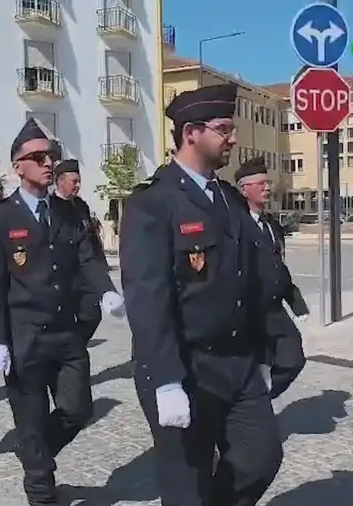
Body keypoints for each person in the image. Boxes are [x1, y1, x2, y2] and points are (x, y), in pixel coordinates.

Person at [120, 84, 283, 506]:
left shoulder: (228, 199)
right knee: (186, 486)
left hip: (238, 362)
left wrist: (266, 349)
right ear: (191, 132)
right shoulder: (152, 203)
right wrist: (167, 379)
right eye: (224, 129)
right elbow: (148, 297)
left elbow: (254, 281)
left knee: (260, 458)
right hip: (186, 365)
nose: (232, 138)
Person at [0, 118, 124, 505]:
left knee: (77, 409)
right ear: (18, 166)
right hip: (22, 335)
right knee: (29, 418)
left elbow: (88, 258)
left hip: (65, 332)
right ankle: (40, 488)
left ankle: (33, 454)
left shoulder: (69, 212)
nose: (48, 163)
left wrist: (106, 292)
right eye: (38, 157)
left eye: (52, 156)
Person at [234, 156, 307, 399]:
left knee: (293, 359)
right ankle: (250, 411)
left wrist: (296, 301)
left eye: (268, 183)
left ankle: (257, 402)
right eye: (260, 183)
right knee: (257, 365)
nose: (267, 188)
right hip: (250, 312)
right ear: (244, 189)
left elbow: (279, 266)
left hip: (275, 310)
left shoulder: (271, 224)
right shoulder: (236, 226)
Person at [53, 159, 109, 347]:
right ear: (61, 181)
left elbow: (89, 236)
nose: (77, 185)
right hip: (63, 275)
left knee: (93, 314)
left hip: (85, 272)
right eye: (73, 181)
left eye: (78, 181)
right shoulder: (50, 207)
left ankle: (75, 346)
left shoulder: (81, 205)